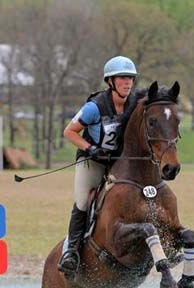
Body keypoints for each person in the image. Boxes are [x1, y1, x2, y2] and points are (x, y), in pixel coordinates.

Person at [58, 56, 138, 276]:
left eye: (130, 78)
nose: (127, 82)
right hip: (92, 161)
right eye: (122, 78)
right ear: (110, 81)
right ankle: (72, 251)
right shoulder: (94, 107)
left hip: (118, 164)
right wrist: (90, 148)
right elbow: (69, 132)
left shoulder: (135, 104)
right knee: (83, 201)